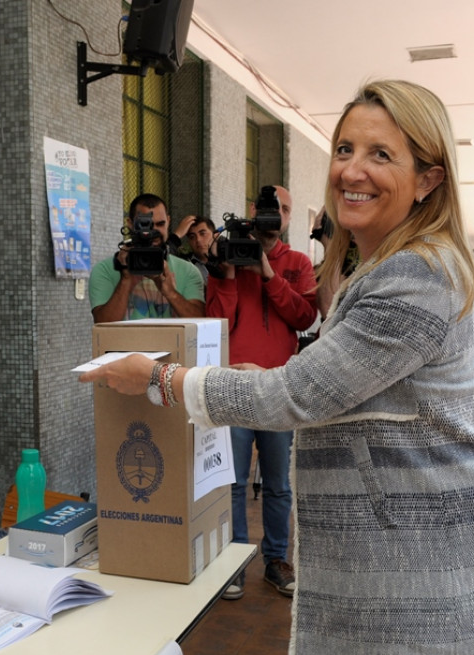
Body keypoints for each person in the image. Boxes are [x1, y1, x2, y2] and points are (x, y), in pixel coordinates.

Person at [79, 79, 474, 655]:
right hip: (408, 585)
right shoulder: (391, 264)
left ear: (430, 178)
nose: (352, 167)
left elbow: (296, 391)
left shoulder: (415, 274)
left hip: (436, 596)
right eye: (345, 147)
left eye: (382, 154)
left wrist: (161, 378)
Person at [205, 184, 317, 600]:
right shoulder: (232, 252)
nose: (276, 217)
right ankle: (234, 560)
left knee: (278, 484)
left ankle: (275, 559)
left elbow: (305, 315)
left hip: (278, 387)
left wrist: (268, 274)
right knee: (231, 482)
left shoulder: (298, 263)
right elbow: (217, 321)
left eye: (284, 210)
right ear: (252, 212)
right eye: (270, 209)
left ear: (288, 218)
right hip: (234, 382)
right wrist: (231, 271)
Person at [89, 193, 205, 321]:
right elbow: (102, 324)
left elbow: (200, 323)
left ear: (168, 222)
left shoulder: (188, 271)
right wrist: (125, 279)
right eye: (144, 224)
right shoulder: (104, 269)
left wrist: (170, 292)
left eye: (160, 224)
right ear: (130, 223)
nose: (152, 232)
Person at [180, 215, 218, 285]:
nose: (198, 240)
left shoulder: (226, 263)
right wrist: (177, 235)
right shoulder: (184, 265)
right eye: (192, 237)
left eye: (202, 234)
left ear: (215, 235)